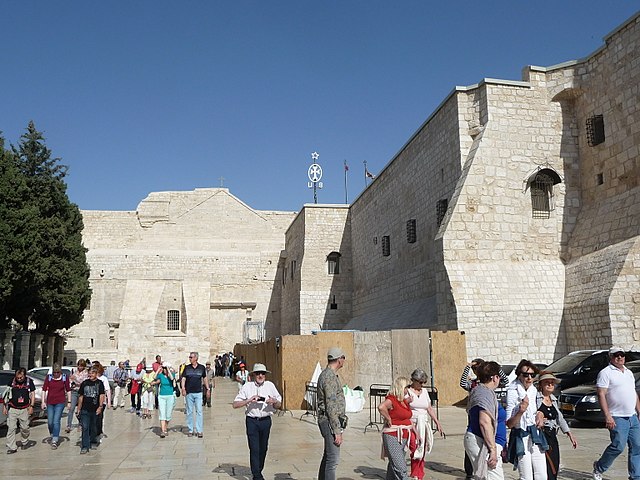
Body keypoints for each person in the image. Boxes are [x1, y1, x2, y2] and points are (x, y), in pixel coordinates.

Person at [592, 346, 640, 480]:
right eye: (616, 355)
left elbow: (633, 392)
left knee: (637, 447)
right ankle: (599, 467)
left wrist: (638, 411)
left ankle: (636, 476)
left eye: (622, 355)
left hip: (632, 416)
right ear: (611, 357)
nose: (620, 357)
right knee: (618, 446)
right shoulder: (606, 373)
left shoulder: (629, 373)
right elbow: (601, 394)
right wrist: (608, 416)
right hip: (617, 416)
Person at [460, 359, 510, 479]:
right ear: (495, 378)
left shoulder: (483, 390)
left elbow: (505, 380)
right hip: (481, 441)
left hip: (488, 442)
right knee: (494, 477)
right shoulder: (483, 393)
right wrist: (492, 449)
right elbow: (484, 422)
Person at [233, 362, 282, 480]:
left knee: (263, 448)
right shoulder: (247, 387)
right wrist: (248, 400)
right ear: (254, 374)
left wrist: (274, 402)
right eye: (258, 373)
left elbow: (279, 405)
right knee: (254, 448)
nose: (260, 375)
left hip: (266, 421)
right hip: (252, 421)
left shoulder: (270, 385)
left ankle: (258, 471)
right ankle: (257, 475)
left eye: (263, 373)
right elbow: (235, 404)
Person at [506, 359, 547, 480]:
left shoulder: (533, 390)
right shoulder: (512, 392)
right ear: (519, 375)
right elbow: (509, 423)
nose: (529, 378)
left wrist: (540, 414)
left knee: (542, 474)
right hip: (520, 435)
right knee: (526, 475)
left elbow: (537, 410)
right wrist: (521, 411)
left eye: (532, 375)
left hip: (535, 434)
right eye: (525, 374)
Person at [534, 371, 578, 480]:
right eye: (547, 383)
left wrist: (569, 434)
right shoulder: (536, 398)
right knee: (545, 467)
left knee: (555, 464)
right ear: (541, 385)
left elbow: (560, 417)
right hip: (541, 437)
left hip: (552, 436)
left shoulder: (553, 399)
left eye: (552, 383)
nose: (550, 385)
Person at [407, 368, 444, 480]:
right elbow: (405, 409)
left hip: (423, 422)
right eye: (420, 382)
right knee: (415, 448)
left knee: (422, 448)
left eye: (424, 383)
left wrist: (437, 422)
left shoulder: (424, 392)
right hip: (412, 422)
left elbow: (429, 408)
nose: (422, 385)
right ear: (414, 380)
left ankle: (420, 474)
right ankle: (414, 473)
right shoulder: (407, 391)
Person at [317, 347, 347, 480]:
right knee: (333, 460)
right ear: (339, 359)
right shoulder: (328, 377)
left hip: (329, 420)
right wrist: (337, 431)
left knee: (328, 456)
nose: (344, 361)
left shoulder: (329, 375)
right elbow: (330, 406)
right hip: (329, 421)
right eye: (343, 358)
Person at [378, 376, 414, 480]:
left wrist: (407, 402)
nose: (408, 389)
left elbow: (402, 413)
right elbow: (381, 407)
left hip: (403, 436)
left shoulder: (402, 400)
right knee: (400, 467)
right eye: (407, 387)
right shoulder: (391, 399)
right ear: (401, 387)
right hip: (393, 436)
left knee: (394, 464)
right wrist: (388, 418)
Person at [3, 367, 36, 454]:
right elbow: (6, 395)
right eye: (18, 377)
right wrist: (5, 407)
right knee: (11, 428)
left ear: (24, 376)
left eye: (21, 377)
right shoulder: (12, 381)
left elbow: (32, 394)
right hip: (13, 408)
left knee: (25, 428)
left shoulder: (29, 382)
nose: (19, 379)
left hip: (24, 409)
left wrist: (31, 406)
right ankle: (12, 447)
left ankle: (24, 440)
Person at [180, 351, 210, 437]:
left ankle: (199, 430)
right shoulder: (187, 368)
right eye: (189, 357)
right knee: (189, 412)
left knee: (199, 411)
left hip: (198, 392)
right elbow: (183, 379)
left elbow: (205, 379)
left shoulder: (201, 368)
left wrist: (208, 389)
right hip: (189, 393)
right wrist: (183, 388)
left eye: (191, 357)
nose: (190, 359)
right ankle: (190, 429)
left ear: (196, 358)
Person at [42, 363, 71, 449]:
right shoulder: (49, 378)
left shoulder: (65, 378)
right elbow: (44, 389)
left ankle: (55, 439)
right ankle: (52, 433)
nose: (56, 374)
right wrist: (43, 401)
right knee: (50, 422)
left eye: (58, 372)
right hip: (50, 402)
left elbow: (68, 390)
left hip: (60, 402)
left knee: (56, 421)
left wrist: (69, 402)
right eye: (55, 372)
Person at [77, 366, 105, 454]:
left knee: (93, 426)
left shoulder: (99, 383)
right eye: (89, 373)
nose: (90, 375)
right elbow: (81, 396)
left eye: (92, 373)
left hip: (95, 408)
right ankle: (85, 446)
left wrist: (100, 407)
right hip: (85, 408)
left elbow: (101, 395)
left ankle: (93, 441)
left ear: (96, 374)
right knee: (85, 427)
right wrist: (78, 408)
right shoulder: (84, 383)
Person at [67, 359, 89, 433]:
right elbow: (70, 380)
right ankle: (69, 425)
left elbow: (84, 382)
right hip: (74, 391)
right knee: (71, 408)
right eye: (79, 365)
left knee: (80, 409)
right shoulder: (74, 371)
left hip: (82, 392)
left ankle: (80, 423)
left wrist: (76, 380)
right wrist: (73, 381)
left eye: (82, 366)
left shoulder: (86, 373)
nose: (80, 367)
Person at [157, 362, 177, 438]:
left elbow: (172, 378)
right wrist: (158, 370)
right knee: (162, 413)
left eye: (165, 368)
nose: (164, 370)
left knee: (168, 414)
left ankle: (165, 427)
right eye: (164, 368)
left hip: (170, 396)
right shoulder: (161, 375)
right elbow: (154, 378)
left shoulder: (172, 374)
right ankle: (163, 430)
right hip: (161, 396)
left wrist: (168, 369)